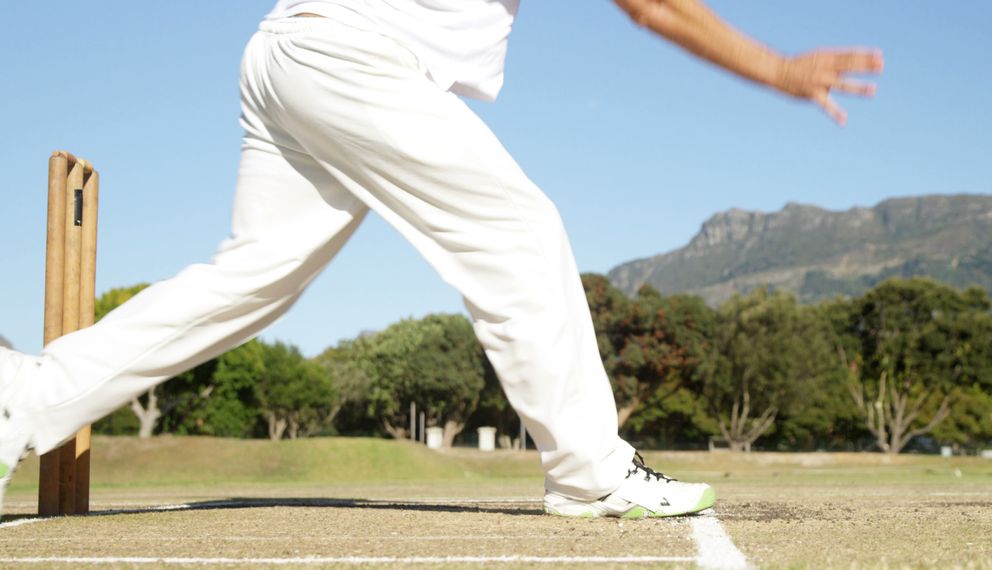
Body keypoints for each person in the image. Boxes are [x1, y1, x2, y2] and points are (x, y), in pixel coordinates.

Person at [0, 0, 881, 519]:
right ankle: (590, 471)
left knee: (253, 280)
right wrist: (776, 68)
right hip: (354, 55)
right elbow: (651, 6)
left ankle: (24, 395)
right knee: (518, 229)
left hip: (286, 45)